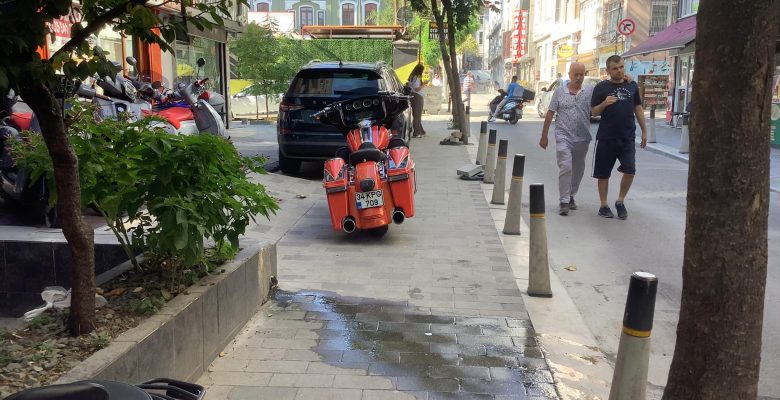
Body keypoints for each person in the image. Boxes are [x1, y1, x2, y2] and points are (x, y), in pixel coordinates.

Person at [590, 55, 648, 219]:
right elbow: (594, 112)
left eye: (622, 67)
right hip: (606, 137)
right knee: (603, 174)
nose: (619, 71)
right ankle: (603, 205)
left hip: (627, 136)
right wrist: (604, 104)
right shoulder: (601, 87)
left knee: (630, 170)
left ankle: (620, 201)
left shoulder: (632, 85)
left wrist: (644, 131)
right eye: (615, 68)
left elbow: (637, 108)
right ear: (608, 71)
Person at [538, 63, 592, 216]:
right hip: (563, 136)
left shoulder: (589, 91)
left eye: (581, 74)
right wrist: (544, 136)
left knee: (578, 169)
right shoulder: (560, 92)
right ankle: (564, 200)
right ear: (569, 74)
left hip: (583, 137)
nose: (579, 77)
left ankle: (571, 195)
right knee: (566, 166)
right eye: (576, 74)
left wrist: (625, 79)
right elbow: (549, 113)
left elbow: (607, 88)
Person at [407, 64, 426, 138]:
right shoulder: (416, 78)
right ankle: (416, 132)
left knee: (416, 115)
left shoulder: (412, 77)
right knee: (417, 115)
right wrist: (423, 84)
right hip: (417, 96)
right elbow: (416, 89)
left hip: (413, 96)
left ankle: (420, 130)